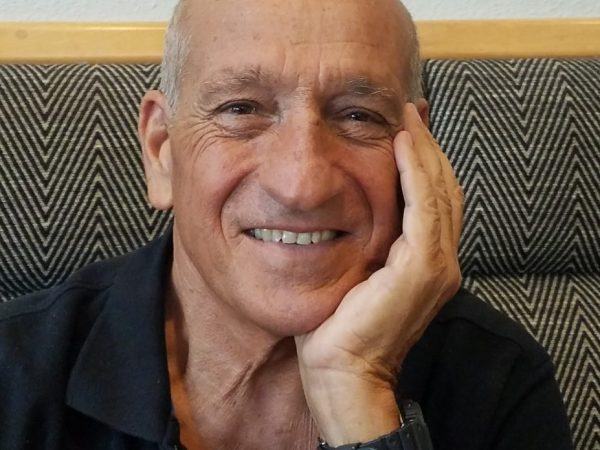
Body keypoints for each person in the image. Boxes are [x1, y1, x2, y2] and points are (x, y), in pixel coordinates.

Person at [0, 0, 573, 449]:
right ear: (161, 151)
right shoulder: (13, 373)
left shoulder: (497, 380)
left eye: (358, 115)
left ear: (418, 151)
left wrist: (357, 388)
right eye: (241, 109)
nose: (302, 185)